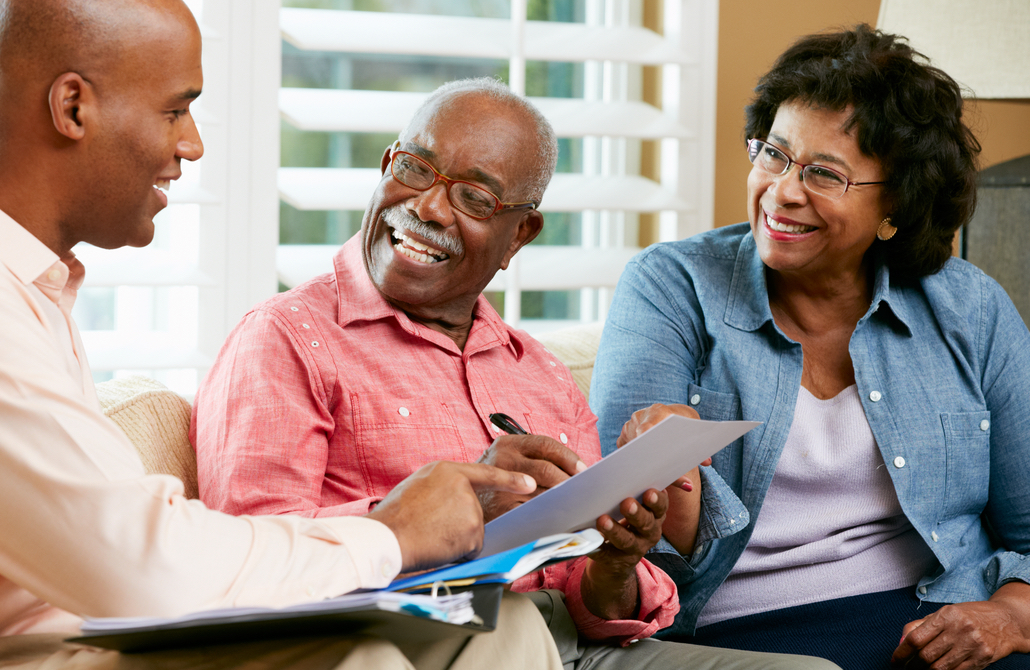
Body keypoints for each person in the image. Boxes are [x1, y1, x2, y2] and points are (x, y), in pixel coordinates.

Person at [0, 2, 567, 669]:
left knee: (502, 626)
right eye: (176, 109)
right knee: (365, 659)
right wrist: (390, 533)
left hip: (81, 633)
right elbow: (140, 567)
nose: (192, 145)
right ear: (73, 107)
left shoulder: (4, 277)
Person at [192, 78, 837, 670]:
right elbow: (253, 568)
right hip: (422, 643)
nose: (431, 207)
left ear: (519, 234)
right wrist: (455, 513)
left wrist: (615, 560)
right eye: (416, 168)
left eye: (473, 197)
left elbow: (599, 609)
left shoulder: (539, 372)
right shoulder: (286, 339)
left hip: (584, 649)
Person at [590, 24, 1030, 670]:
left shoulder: (970, 308)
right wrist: (666, 492)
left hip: (940, 620)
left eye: (824, 173)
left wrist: (1012, 613)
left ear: (895, 212)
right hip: (740, 635)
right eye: (774, 153)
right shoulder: (670, 287)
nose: (783, 190)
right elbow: (632, 558)